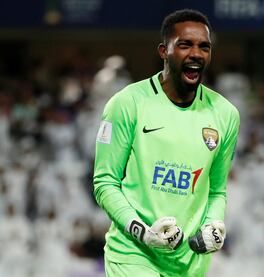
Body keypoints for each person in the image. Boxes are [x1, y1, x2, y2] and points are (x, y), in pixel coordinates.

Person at [93, 9, 240, 277]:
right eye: (185, 45)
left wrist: (213, 225)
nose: (196, 53)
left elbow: (217, 191)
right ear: (164, 51)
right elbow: (105, 183)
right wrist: (143, 232)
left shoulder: (225, 114)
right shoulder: (127, 103)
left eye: (204, 47)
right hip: (134, 254)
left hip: (189, 264)